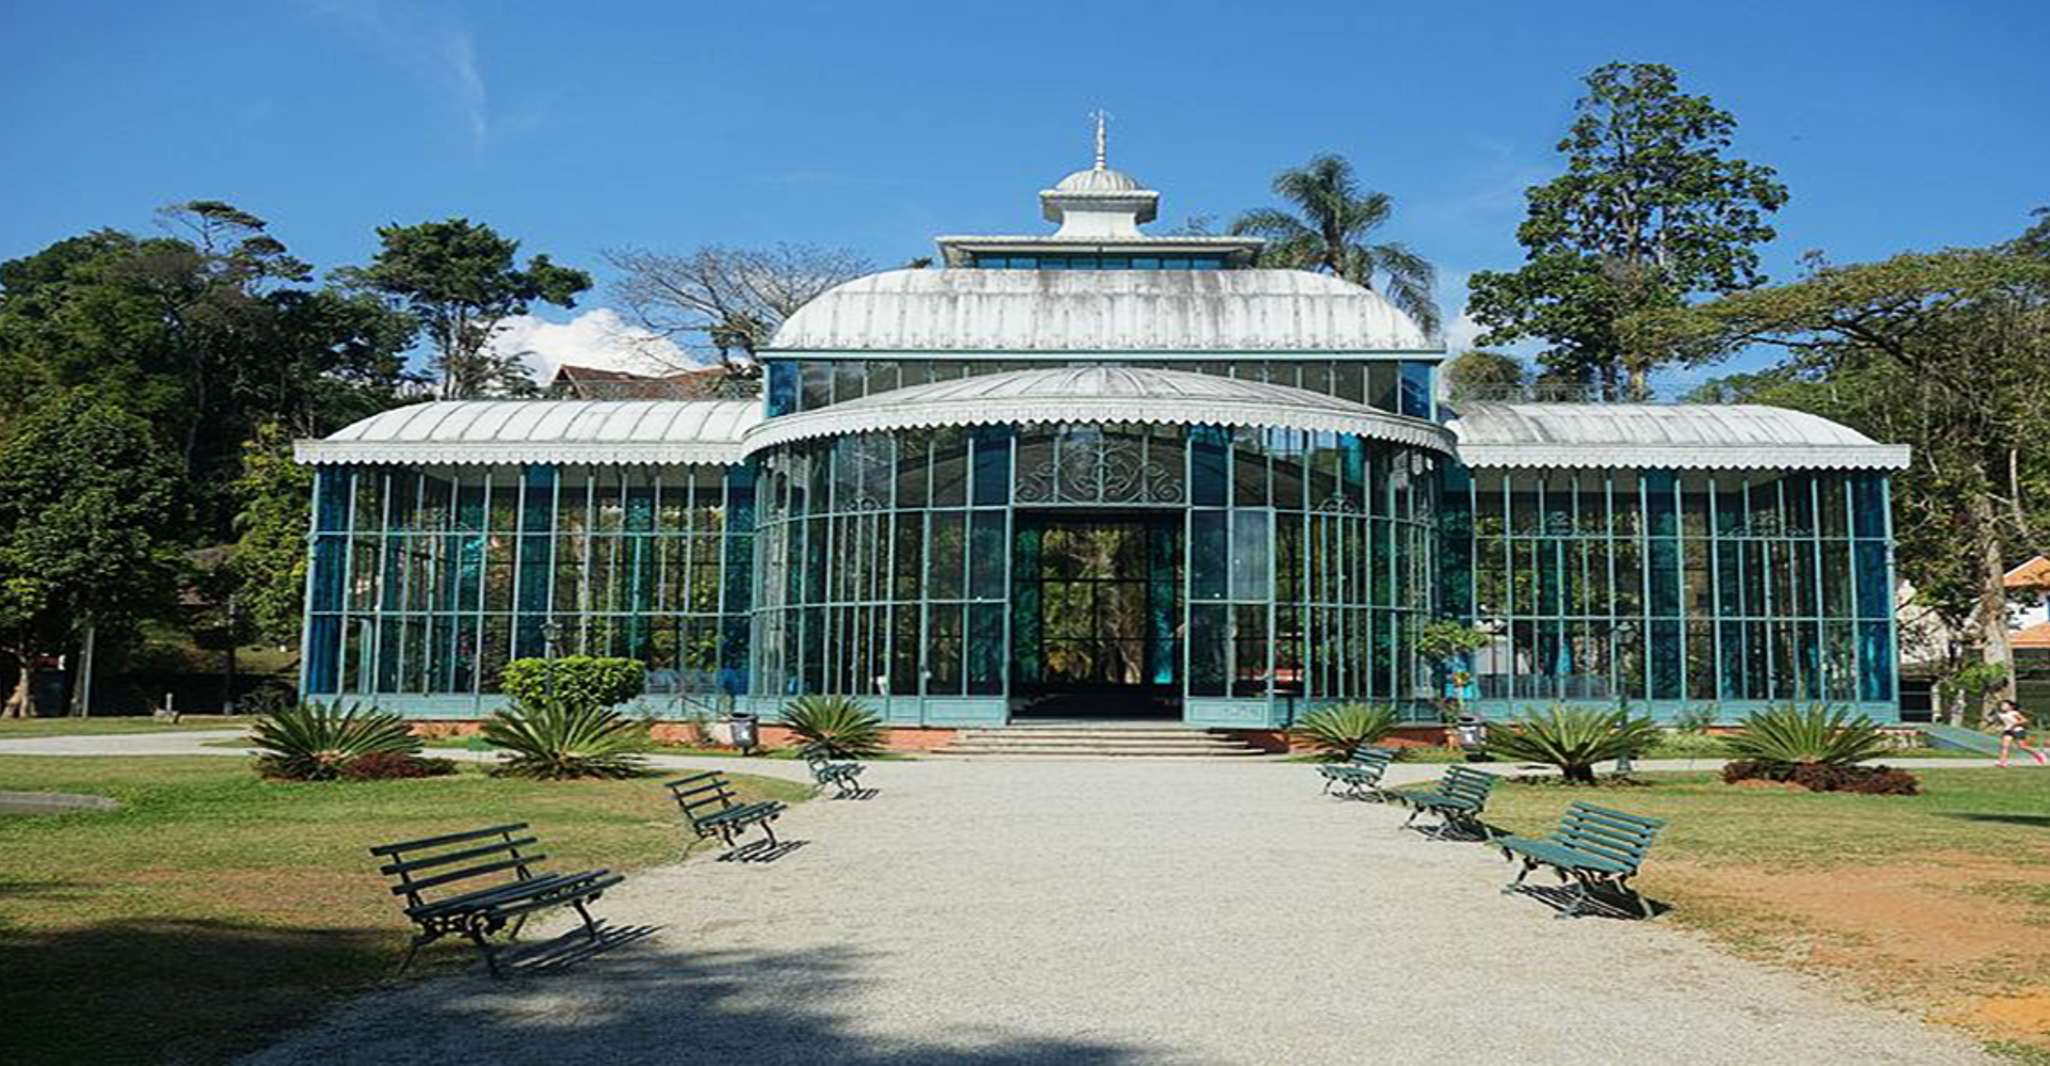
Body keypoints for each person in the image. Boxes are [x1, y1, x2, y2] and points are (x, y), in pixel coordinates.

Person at [1993, 699, 2048, 767]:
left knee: (2022, 746)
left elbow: (2025, 720)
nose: (2003, 706)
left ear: (2011, 707)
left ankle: (2038, 754)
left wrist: (2014, 724)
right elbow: (2002, 721)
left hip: (2018, 731)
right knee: (2004, 746)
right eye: (2002, 705)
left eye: (2005, 705)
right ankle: (2003, 762)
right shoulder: (2000, 714)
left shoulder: (2014, 713)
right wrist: (2000, 726)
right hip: (2008, 731)